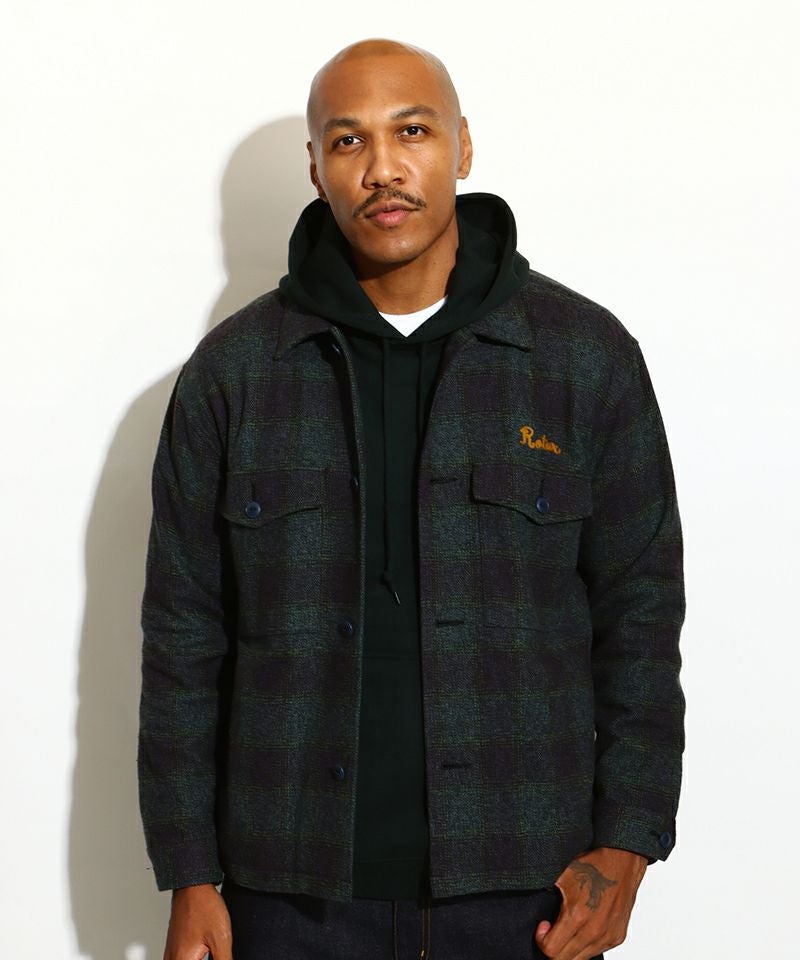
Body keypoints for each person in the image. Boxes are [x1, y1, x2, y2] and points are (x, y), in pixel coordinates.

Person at [138, 37, 686, 960]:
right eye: (348, 141)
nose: (383, 169)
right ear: (315, 168)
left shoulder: (584, 359)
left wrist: (628, 844)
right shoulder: (233, 375)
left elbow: (641, 617)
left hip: (526, 889)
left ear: (463, 147)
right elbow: (183, 637)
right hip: (290, 895)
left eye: (414, 131)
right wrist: (189, 871)